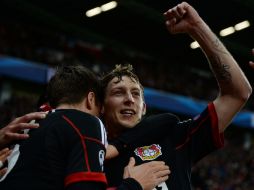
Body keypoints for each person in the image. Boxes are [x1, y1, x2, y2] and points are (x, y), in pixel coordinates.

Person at [101, 2, 252, 190]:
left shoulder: (174, 138)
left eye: (136, 94)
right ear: (101, 105)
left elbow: (237, 94)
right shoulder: (88, 153)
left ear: (144, 108)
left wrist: (197, 27)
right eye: (118, 92)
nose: (129, 99)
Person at [0, 65, 170, 190]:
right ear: (91, 99)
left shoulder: (26, 126)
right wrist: (135, 185)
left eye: (135, 93)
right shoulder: (87, 122)